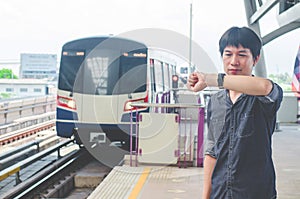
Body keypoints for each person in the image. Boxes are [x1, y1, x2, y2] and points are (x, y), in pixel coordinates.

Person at [187, 26, 283, 199]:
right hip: (221, 193)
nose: (234, 61)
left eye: (242, 55)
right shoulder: (215, 101)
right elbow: (212, 152)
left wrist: (210, 79)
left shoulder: (264, 98)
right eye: (228, 54)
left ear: (256, 58)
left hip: (256, 193)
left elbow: (265, 87)